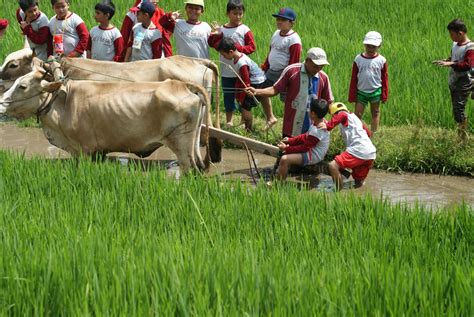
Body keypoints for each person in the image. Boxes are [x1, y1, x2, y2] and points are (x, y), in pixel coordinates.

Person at [247, 47, 334, 138]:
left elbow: (328, 102)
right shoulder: (292, 71)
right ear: (307, 60)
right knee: (287, 149)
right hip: (291, 125)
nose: (318, 69)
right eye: (315, 66)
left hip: (313, 128)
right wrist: (256, 91)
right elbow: (274, 89)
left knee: (308, 151)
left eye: (321, 66)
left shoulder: (323, 77)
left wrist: (341, 113)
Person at [208, 0, 256, 127]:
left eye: (240, 13)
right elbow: (213, 44)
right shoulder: (222, 29)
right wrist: (216, 35)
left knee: (241, 96)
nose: (238, 16)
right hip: (226, 70)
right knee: (228, 96)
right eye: (235, 13)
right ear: (228, 13)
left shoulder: (245, 29)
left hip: (241, 70)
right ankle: (229, 121)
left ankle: (242, 120)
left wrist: (237, 48)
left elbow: (252, 47)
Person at [218, 37, 275, 131]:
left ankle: (248, 129)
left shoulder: (241, 63)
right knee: (244, 104)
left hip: (257, 83)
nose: (223, 57)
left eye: (224, 55)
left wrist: (242, 96)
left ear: (231, 52)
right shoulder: (239, 56)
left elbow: (246, 81)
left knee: (245, 107)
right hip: (257, 80)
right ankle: (248, 127)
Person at [320, 102, 376, 191]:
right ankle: (360, 193)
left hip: (359, 150)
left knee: (332, 166)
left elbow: (340, 116)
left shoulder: (342, 114)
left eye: (333, 116)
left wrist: (328, 126)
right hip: (370, 153)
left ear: (335, 114)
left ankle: (338, 193)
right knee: (358, 181)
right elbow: (369, 134)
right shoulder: (356, 119)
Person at [433, 18, 473, 140]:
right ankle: (461, 135)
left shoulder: (470, 48)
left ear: (460, 33)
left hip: (465, 81)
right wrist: (447, 60)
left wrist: (451, 64)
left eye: (452, 34)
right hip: (454, 81)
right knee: (456, 109)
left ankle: (462, 138)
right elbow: (455, 57)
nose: (451, 37)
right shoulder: (455, 44)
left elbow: (467, 65)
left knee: (459, 110)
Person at [276, 99, 330, 181]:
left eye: (309, 109)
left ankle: (278, 184)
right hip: (312, 150)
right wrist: (290, 140)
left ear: (313, 114)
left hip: (313, 156)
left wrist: (286, 149)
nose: (308, 110)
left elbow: (304, 148)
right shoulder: (320, 122)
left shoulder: (317, 131)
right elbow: (305, 136)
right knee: (289, 149)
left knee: (284, 159)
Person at [348, 31, 389, 132]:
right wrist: (352, 95)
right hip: (361, 92)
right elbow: (353, 79)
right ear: (365, 45)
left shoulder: (381, 60)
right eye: (368, 46)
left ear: (379, 46)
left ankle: (374, 134)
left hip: (375, 91)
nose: (370, 49)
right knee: (357, 115)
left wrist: (384, 94)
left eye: (373, 47)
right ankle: (357, 134)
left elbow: (385, 79)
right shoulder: (358, 59)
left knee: (375, 113)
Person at [261, 8, 302, 87]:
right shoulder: (276, 33)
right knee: (262, 91)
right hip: (271, 71)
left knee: (286, 98)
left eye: (283, 20)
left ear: (292, 23)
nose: (279, 22)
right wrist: (265, 66)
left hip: (284, 73)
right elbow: (271, 51)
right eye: (278, 19)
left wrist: (289, 77)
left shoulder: (294, 39)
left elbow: (294, 62)